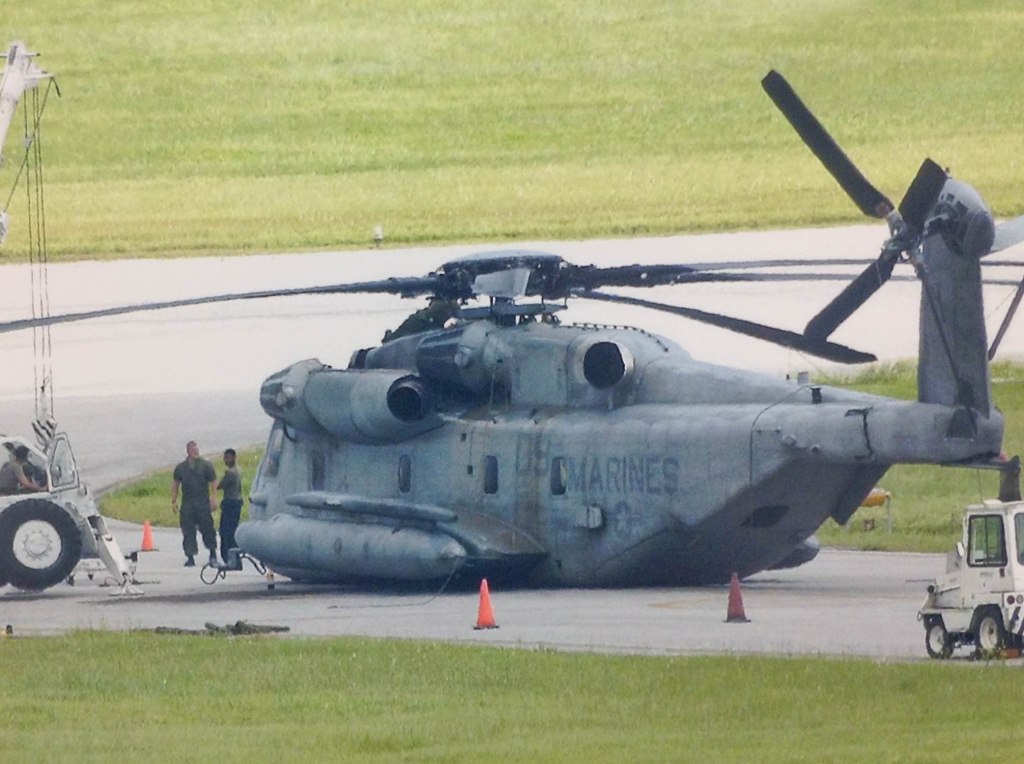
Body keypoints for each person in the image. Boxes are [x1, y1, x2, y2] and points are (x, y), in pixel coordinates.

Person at [170, 441, 218, 567]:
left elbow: (213, 481)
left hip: (202, 502)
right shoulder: (181, 468)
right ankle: (190, 556)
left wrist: (213, 498)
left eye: (196, 450)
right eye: (193, 450)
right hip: (188, 503)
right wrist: (174, 500)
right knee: (188, 530)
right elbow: (175, 483)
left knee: (208, 528)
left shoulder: (206, 465)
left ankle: (212, 554)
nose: (195, 452)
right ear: (188, 452)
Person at [217, 448, 243, 564]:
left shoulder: (231, 473)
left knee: (226, 531)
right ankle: (234, 556)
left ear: (233, 458)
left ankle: (228, 555)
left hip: (230, 503)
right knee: (232, 529)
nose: (225, 460)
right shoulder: (238, 470)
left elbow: (220, 485)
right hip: (237, 502)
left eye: (227, 458)